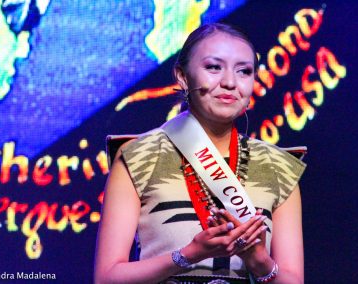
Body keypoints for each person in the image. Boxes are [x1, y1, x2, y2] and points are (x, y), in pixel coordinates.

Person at [94, 23, 306, 284]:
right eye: (213, 67)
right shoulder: (138, 157)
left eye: (244, 71)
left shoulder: (278, 167)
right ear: (182, 76)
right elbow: (106, 278)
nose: (229, 82)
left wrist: (260, 262)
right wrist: (188, 255)